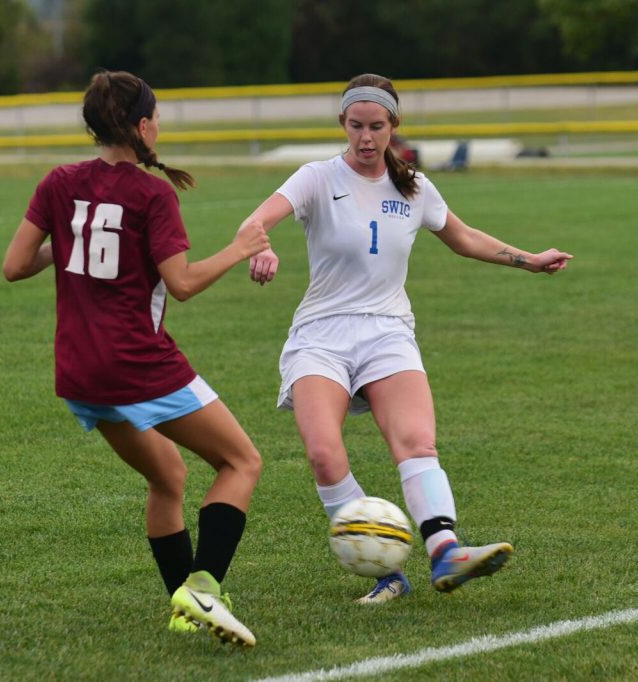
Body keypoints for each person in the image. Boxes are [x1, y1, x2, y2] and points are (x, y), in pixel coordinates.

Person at [241, 73, 573, 604]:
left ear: (394, 125)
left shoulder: (414, 186)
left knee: (417, 444)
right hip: (321, 334)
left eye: (377, 126)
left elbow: (462, 237)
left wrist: (528, 260)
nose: (366, 138)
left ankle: (446, 549)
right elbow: (256, 220)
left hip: (388, 329)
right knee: (325, 455)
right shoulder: (315, 178)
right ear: (342, 125)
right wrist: (263, 247)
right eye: (356, 126)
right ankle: (385, 573)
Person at [3, 70, 267, 647]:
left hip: (79, 373)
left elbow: (15, 265)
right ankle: (203, 586)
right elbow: (184, 284)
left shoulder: (58, 181)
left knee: (167, 475)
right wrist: (239, 249)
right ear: (143, 126)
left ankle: (183, 610)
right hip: (137, 367)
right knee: (242, 462)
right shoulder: (153, 193)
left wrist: (68, 240)